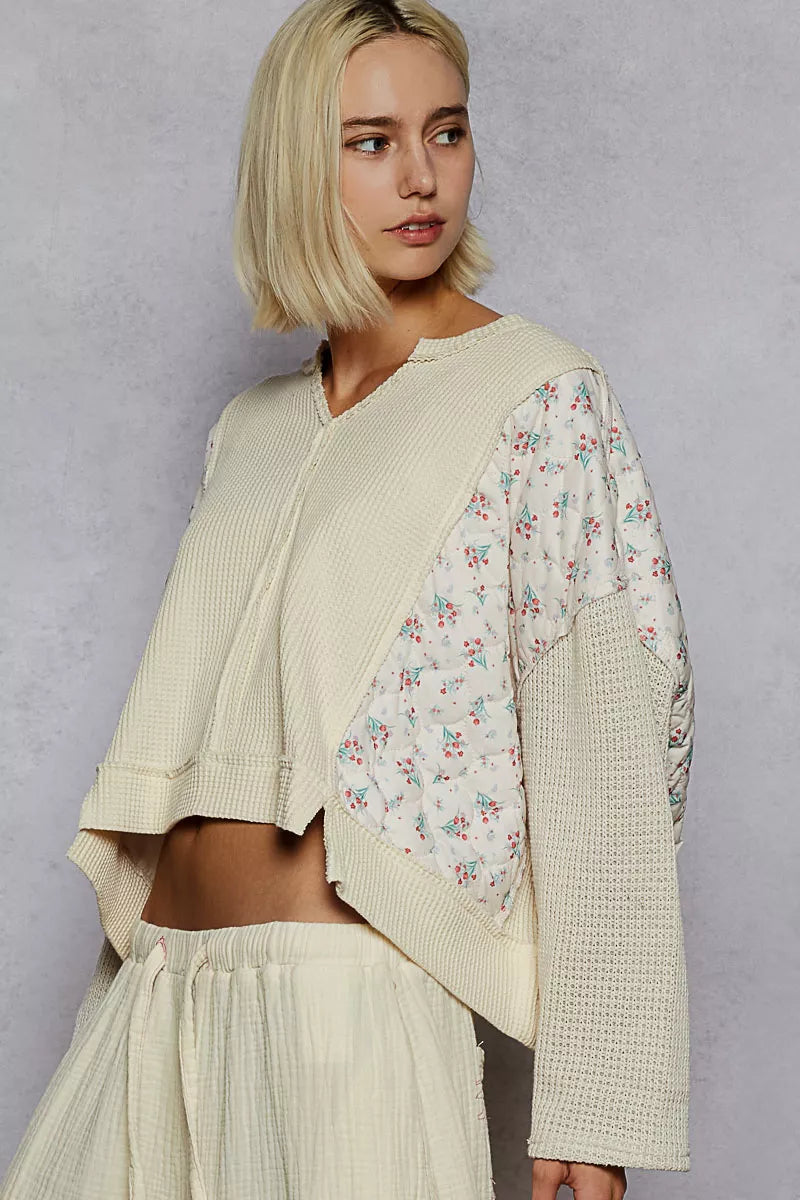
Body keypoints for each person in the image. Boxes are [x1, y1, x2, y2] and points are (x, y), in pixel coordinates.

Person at [1, 1, 696, 1198]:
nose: (421, 176)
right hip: (155, 991)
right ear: (294, 165)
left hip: (346, 1017)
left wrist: (594, 1105)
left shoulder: (536, 398)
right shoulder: (251, 428)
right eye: (370, 142)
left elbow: (605, 753)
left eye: (446, 132)